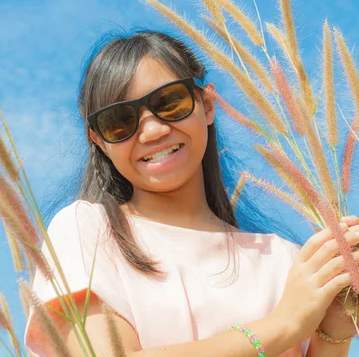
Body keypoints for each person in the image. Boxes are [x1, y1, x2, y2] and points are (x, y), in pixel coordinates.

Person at [23, 30, 359, 356]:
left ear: (208, 104)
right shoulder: (88, 233)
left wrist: (334, 333)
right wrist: (284, 326)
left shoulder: (285, 260)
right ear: (98, 140)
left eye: (169, 102)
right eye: (119, 121)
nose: (153, 130)